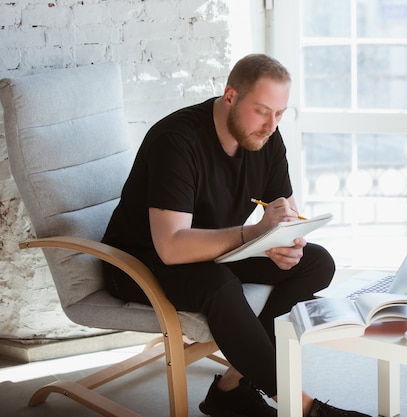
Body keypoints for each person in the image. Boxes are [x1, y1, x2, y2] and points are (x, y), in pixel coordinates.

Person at [102, 54, 369, 417]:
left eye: (280, 113)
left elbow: (285, 214)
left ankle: (232, 386)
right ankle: (303, 407)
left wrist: (285, 243)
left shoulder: (266, 138)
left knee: (315, 262)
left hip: (213, 253)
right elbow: (171, 247)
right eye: (261, 111)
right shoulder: (175, 140)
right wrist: (255, 233)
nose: (271, 125)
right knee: (219, 284)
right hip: (139, 262)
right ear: (230, 97)